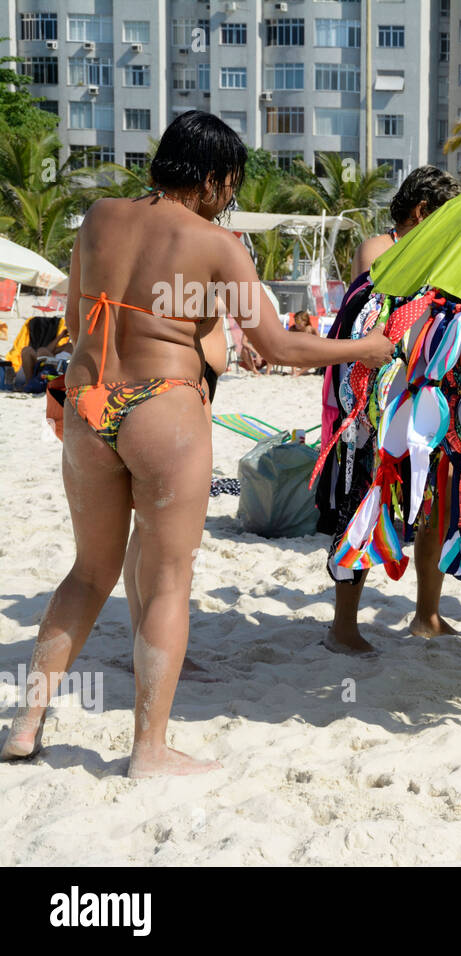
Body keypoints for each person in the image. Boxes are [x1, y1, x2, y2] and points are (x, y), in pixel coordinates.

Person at [0, 111, 391, 778]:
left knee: (88, 573)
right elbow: (280, 345)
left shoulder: (97, 218)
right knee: (168, 580)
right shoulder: (217, 244)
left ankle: (26, 725)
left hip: (89, 405)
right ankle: (149, 750)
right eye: (231, 186)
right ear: (212, 179)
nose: (231, 198)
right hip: (163, 409)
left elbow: (73, 320)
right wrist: (372, 347)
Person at [318, 165, 461, 654]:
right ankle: (343, 626)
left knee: (434, 503)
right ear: (422, 212)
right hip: (370, 407)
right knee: (358, 502)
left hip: (423, 396)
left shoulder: (437, 259)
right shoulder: (380, 248)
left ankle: (427, 615)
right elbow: (376, 305)